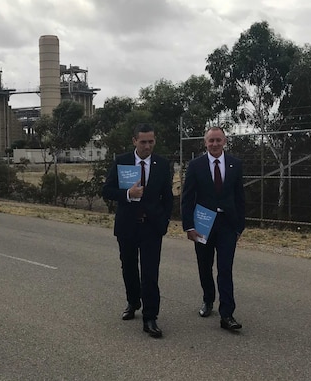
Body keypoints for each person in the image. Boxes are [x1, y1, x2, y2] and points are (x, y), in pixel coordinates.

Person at [102, 123, 173, 338]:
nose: (147, 146)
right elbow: (107, 190)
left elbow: (167, 197)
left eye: (151, 141)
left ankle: (150, 317)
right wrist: (127, 194)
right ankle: (133, 302)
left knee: (150, 273)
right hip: (127, 226)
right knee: (129, 269)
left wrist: (164, 222)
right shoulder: (121, 161)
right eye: (143, 142)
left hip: (152, 228)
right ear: (134, 141)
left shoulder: (162, 164)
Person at [181, 126, 246, 331]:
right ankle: (208, 300)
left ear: (225, 141)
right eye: (211, 141)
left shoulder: (235, 164)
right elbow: (187, 198)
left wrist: (239, 227)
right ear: (205, 143)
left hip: (227, 225)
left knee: (225, 269)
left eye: (218, 140)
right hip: (202, 224)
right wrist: (189, 226)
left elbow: (240, 198)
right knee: (205, 266)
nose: (215, 144)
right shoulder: (196, 165)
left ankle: (227, 314)